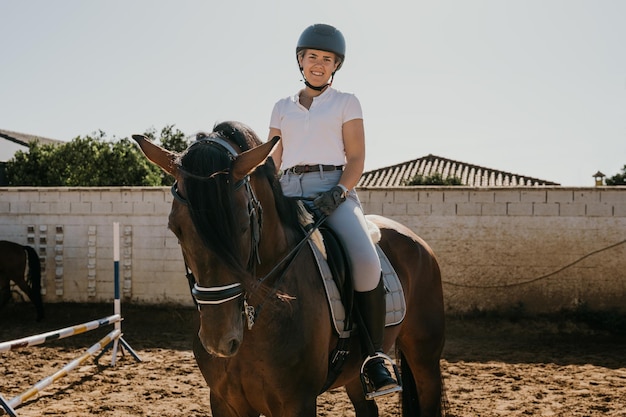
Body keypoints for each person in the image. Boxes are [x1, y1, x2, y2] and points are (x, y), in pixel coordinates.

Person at [267, 23, 401, 398]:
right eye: (312, 57)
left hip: (333, 191)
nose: (319, 65)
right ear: (300, 60)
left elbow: (356, 158)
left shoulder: (347, 102)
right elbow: (274, 159)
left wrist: (340, 191)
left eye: (327, 60)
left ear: (335, 66)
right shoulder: (281, 107)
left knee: (364, 258)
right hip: (288, 191)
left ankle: (374, 357)